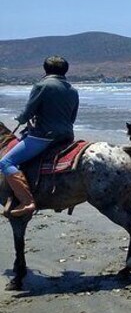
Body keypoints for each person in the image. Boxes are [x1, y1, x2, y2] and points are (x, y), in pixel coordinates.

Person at [1, 56, 79, 217]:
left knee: (6, 161)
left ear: (45, 69)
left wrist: (20, 119)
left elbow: (29, 112)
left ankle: (27, 201)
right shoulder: (72, 90)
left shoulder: (42, 85)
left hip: (43, 136)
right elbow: (72, 117)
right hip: (66, 136)